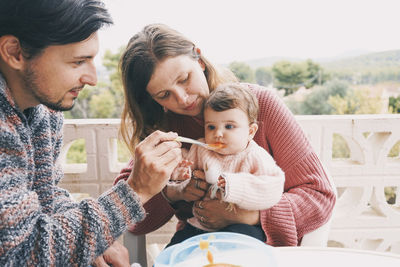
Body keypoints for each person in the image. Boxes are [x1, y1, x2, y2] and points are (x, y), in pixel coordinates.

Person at [115, 23, 336, 247]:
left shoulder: (261, 106)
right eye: (164, 95)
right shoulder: (166, 130)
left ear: (199, 60)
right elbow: (129, 220)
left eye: (184, 79)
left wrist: (247, 215)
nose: (182, 99)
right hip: (198, 245)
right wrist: (173, 194)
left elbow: (319, 195)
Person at [0, 2, 182, 266]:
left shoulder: (43, 111)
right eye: (78, 61)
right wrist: (135, 190)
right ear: (15, 52)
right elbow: (22, 252)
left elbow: (46, 198)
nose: (93, 78)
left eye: (92, 59)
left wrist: (97, 241)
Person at [166, 83, 285, 247]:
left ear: (250, 132)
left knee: (245, 244)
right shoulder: (201, 150)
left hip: (241, 227)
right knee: (176, 247)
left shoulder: (255, 156)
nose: (218, 134)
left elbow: (273, 189)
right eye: (211, 127)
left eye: (229, 126)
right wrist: (180, 176)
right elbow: (184, 180)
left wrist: (234, 185)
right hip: (199, 226)